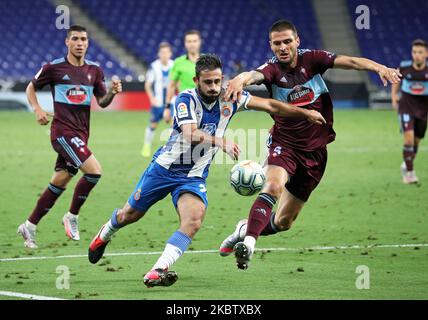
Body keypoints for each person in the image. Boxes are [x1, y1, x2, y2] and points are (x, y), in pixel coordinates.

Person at [87, 54, 325, 287]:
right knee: (129, 215)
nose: (213, 87)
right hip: (163, 170)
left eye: (217, 81)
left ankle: (158, 269)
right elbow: (190, 133)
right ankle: (104, 234)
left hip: (193, 177)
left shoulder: (230, 97)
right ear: (196, 81)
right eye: (208, 82)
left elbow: (271, 105)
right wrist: (220, 142)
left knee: (193, 220)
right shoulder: (184, 99)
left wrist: (305, 113)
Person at [219, 19, 401, 270]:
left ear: (297, 41)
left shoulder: (312, 59)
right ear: (270, 45)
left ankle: (243, 229)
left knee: (283, 222)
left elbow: (352, 62)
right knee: (272, 185)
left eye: (287, 41)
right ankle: (249, 244)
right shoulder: (272, 70)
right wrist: (240, 79)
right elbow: (254, 75)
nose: (282, 47)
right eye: (277, 43)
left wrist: (378, 67)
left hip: (316, 153)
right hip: (285, 144)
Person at [17, 25, 122, 249]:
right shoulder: (54, 68)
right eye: (75, 39)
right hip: (63, 132)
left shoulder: (94, 70)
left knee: (60, 181)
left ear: (88, 43)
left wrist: (112, 92)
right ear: (67, 42)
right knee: (94, 172)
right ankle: (72, 216)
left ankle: (29, 225)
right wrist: (37, 109)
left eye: (84, 39)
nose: (80, 43)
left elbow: (102, 102)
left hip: (81, 134)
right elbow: (30, 88)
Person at [391, 39, 428, 184]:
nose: (416, 55)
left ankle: (406, 163)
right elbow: (396, 80)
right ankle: (410, 173)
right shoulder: (405, 67)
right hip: (406, 106)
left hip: (423, 109)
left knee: (416, 142)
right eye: (414, 52)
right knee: (408, 139)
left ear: (426, 54)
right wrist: (394, 97)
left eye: (420, 52)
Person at [141, 42, 174, 157]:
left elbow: (176, 83)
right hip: (158, 102)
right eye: (162, 52)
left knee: (173, 124)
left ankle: (170, 148)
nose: (164, 55)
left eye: (166, 52)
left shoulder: (174, 65)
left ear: (170, 53)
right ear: (159, 54)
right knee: (153, 124)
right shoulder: (154, 66)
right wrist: (152, 98)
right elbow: (148, 84)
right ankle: (147, 145)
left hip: (170, 101)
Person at [163, 30, 202, 123]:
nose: (192, 44)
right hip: (185, 105)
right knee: (180, 134)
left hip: (204, 105)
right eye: (189, 41)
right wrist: (167, 107)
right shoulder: (178, 62)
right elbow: (172, 85)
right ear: (185, 43)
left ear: (199, 42)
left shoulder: (207, 61)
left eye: (195, 41)